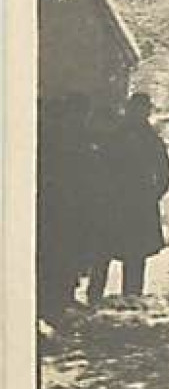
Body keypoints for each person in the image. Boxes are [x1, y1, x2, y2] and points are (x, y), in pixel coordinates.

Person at [101, 92, 169, 298]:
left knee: (133, 252)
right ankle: (98, 294)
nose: (142, 113)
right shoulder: (118, 134)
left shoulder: (147, 137)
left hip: (135, 201)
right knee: (108, 249)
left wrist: (154, 193)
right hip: (119, 200)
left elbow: (165, 171)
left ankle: (130, 294)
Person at [36, 95, 93, 324]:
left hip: (74, 205)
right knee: (60, 253)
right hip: (60, 206)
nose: (82, 119)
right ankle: (55, 302)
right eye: (79, 114)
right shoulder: (60, 139)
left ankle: (64, 296)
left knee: (71, 253)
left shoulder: (79, 137)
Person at [82, 103, 123, 308]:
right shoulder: (86, 142)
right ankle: (91, 292)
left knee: (100, 252)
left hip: (102, 205)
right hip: (92, 204)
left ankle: (94, 292)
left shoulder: (112, 145)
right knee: (97, 252)